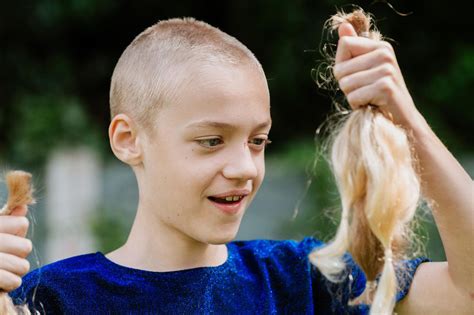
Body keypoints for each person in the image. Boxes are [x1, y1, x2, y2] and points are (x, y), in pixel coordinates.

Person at [1, 16, 472, 314]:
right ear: (129, 140)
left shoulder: (302, 281)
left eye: (257, 141)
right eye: (211, 141)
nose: (244, 166)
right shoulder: (53, 300)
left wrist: (406, 120)